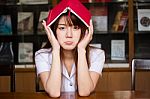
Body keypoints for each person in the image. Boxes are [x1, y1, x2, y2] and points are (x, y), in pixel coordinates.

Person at [35, 0, 105, 97]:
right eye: (62, 28)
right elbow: (54, 93)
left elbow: (84, 92)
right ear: (53, 31)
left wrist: (81, 50)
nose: (69, 35)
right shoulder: (41, 55)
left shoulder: (97, 54)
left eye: (75, 28)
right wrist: (55, 49)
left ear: (84, 31)